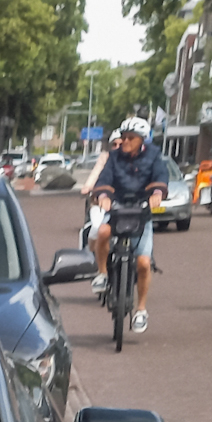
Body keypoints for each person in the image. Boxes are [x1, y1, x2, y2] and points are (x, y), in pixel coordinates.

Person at [87, 115, 166, 334]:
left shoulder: (154, 155)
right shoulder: (114, 157)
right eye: (123, 137)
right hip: (118, 209)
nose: (126, 142)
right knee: (102, 231)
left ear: (142, 140)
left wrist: (157, 193)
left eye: (131, 138)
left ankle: (140, 310)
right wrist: (103, 195)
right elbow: (105, 179)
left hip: (141, 212)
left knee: (143, 263)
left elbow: (161, 175)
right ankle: (102, 274)